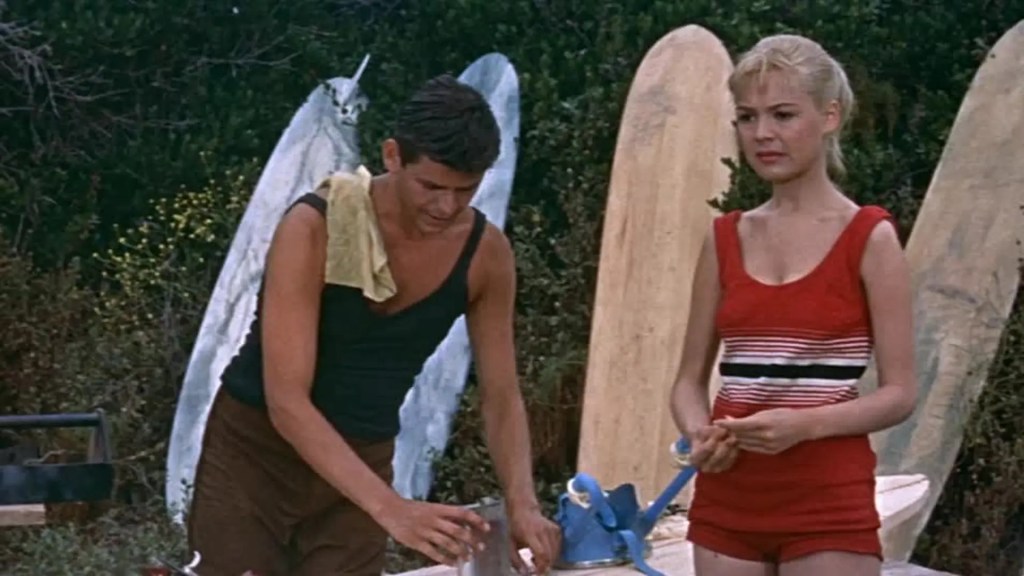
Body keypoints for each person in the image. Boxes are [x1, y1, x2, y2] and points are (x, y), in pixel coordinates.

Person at [186, 74, 561, 575]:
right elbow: (287, 401)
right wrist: (393, 510)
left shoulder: (485, 255)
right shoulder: (313, 227)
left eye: (465, 190)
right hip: (256, 458)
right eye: (431, 186)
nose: (446, 207)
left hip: (362, 458)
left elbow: (501, 394)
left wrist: (523, 503)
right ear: (392, 156)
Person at [669, 34, 918, 576]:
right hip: (728, 498)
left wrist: (805, 426)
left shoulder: (869, 238)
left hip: (828, 499)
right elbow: (688, 381)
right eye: (747, 117)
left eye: (782, 115)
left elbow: (900, 394)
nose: (762, 134)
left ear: (830, 116)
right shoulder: (724, 237)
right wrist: (697, 434)